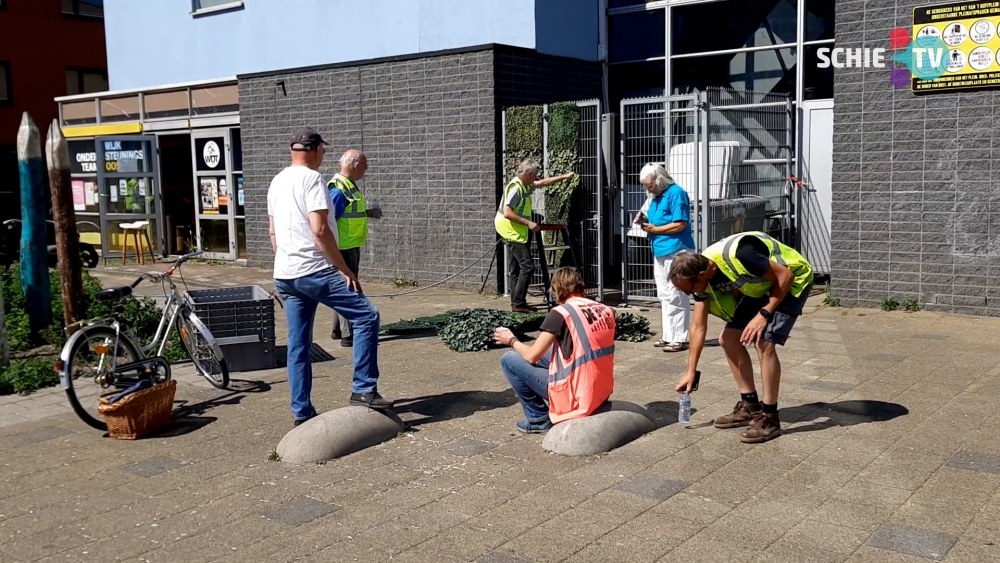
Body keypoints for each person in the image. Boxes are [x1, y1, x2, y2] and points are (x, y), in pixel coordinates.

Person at [267, 127, 391, 426]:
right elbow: (320, 230)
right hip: (315, 269)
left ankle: (301, 412)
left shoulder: (277, 181)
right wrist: (343, 269)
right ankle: (364, 390)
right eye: (322, 149)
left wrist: (284, 264)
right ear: (313, 150)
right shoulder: (312, 179)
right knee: (366, 317)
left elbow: (272, 232)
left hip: (285, 274)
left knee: (298, 344)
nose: (324, 154)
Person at [669, 231, 814, 443]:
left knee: (764, 342)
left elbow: (785, 276)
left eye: (688, 290)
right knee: (728, 339)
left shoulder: (742, 255)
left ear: (701, 276)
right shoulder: (702, 277)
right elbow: (698, 326)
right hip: (760, 288)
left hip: (791, 281)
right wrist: (691, 370)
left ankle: (770, 418)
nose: (687, 295)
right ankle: (750, 407)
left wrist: (764, 315)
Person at [493, 267, 616, 433]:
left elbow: (531, 356)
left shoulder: (561, 313)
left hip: (576, 395)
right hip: (601, 389)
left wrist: (511, 340)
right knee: (549, 351)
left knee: (509, 360)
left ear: (558, 289)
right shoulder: (605, 310)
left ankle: (538, 418)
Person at [494, 159, 576, 313]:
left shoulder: (524, 184)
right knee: (528, 267)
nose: (536, 178)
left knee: (516, 269)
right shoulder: (516, 189)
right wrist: (529, 223)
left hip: (514, 230)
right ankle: (518, 303)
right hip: (512, 231)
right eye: (535, 175)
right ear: (529, 174)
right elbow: (507, 212)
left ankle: (517, 303)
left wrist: (564, 177)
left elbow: (544, 183)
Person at [634, 163, 696, 353]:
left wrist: (655, 229)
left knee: (676, 293)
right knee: (664, 294)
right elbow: (653, 216)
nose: (648, 188)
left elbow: (680, 224)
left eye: (650, 185)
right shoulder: (655, 196)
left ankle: (680, 338)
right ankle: (669, 335)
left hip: (677, 249)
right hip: (660, 250)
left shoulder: (676, 193)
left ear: (659, 180)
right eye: (645, 185)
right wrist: (643, 219)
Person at [328, 149, 379, 348]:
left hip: (349, 244)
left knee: (343, 287)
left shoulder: (348, 186)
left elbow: (346, 213)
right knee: (348, 288)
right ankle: (348, 334)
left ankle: (337, 329)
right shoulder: (339, 188)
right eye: (365, 166)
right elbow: (327, 218)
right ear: (355, 164)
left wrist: (367, 212)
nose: (366, 170)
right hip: (343, 247)